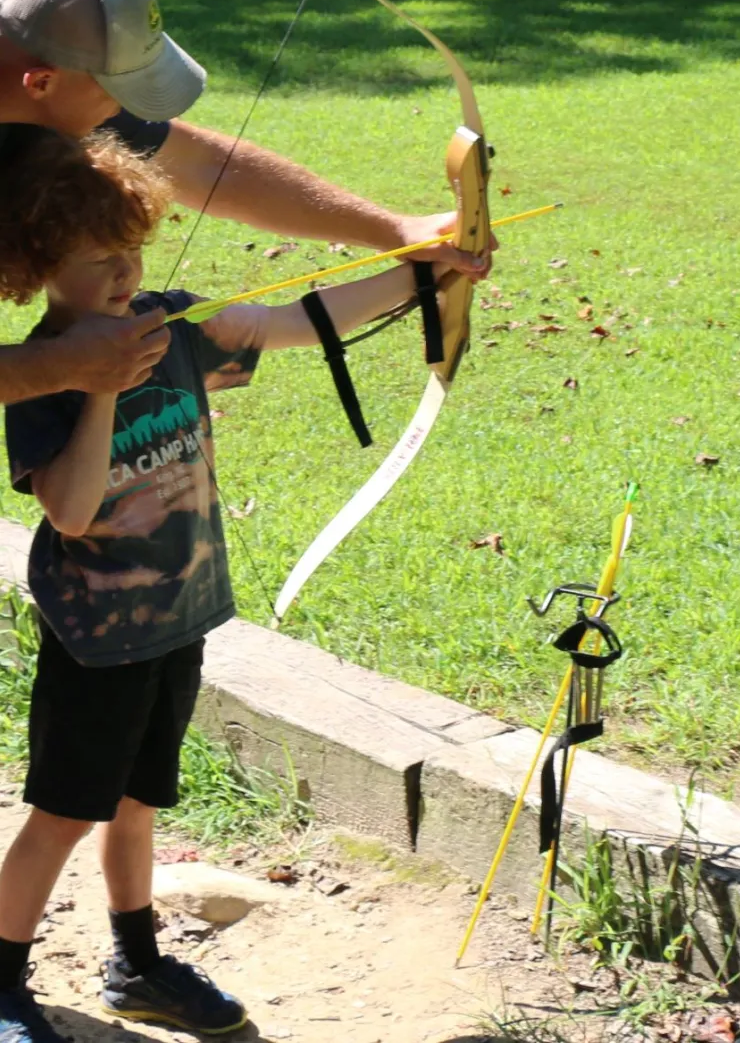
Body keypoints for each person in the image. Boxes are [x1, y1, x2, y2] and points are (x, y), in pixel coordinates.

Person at [0, 130, 448, 1040]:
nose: (127, 273)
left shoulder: (175, 324)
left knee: (137, 803)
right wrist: (100, 384)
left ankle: (136, 963)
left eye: (133, 249)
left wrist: (426, 276)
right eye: (99, 259)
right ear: (41, 267)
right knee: (63, 815)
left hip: (180, 615)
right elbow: (73, 512)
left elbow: (297, 321)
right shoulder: (38, 375)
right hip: (99, 636)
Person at [0, 0, 488, 407]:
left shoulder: (53, 96)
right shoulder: (53, 98)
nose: (124, 110)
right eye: (116, 92)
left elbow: (208, 168)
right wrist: (58, 366)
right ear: (40, 82)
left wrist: (396, 231)